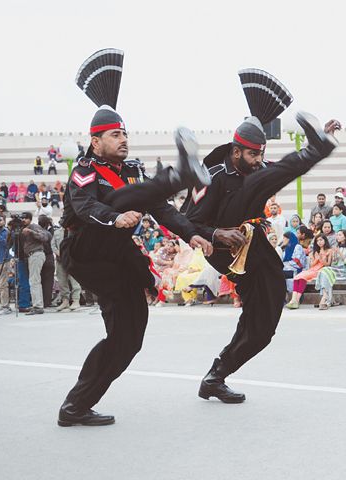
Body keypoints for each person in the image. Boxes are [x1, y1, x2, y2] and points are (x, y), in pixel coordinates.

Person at [58, 49, 213, 427]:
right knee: (120, 198)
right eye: (115, 134)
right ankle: (181, 173)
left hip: (118, 259)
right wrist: (114, 218)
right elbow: (83, 208)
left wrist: (191, 233)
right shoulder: (84, 169)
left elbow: (160, 208)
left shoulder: (132, 169)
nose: (123, 139)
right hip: (86, 249)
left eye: (125, 133)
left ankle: (75, 406)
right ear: (96, 142)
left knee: (128, 338)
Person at [181, 67, 339, 402]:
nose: (258, 160)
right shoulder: (211, 177)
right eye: (253, 154)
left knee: (263, 327)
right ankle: (317, 147)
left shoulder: (258, 169)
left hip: (256, 249)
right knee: (261, 180)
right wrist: (217, 233)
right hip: (224, 249)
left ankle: (216, 375)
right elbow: (186, 223)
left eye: (261, 153)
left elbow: (282, 169)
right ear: (236, 150)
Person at [287, 234, 334, 308]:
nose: (319, 242)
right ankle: (294, 300)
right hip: (312, 270)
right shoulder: (314, 252)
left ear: (325, 240)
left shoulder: (329, 251)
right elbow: (312, 265)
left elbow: (328, 264)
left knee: (302, 277)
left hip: (320, 270)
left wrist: (321, 259)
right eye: (317, 240)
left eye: (321, 240)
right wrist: (316, 259)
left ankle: (295, 300)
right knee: (298, 277)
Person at [19, 212, 51, 315]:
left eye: (25, 218)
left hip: (36, 254)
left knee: (34, 281)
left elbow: (44, 237)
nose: (23, 220)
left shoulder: (34, 226)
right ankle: (38, 305)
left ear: (30, 219)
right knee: (34, 280)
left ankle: (38, 306)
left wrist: (31, 232)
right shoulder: (22, 229)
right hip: (32, 256)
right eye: (22, 218)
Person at [316, 230, 346, 309]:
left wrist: (339, 253)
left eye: (340, 235)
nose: (337, 236)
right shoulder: (336, 247)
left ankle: (325, 299)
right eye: (337, 235)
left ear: (345, 236)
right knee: (323, 271)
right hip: (336, 269)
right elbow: (334, 263)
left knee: (325, 271)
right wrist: (334, 257)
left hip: (345, 270)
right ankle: (325, 297)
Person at [52, 218, 82, 311]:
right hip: (60, 260)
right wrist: (58, 253)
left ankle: (76, 300)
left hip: (71, 260)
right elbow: (52, 245)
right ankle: (65, 301)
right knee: (62, 281)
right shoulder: (57, 232)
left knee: (74, 281)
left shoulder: (74, 231)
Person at [38, 215, 56, 307]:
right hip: (48, 257)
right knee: (48, 281)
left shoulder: (36, 232)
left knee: (39, 280)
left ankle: (39, 301)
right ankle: (47, 302)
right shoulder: (50, 232)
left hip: (39, 256)